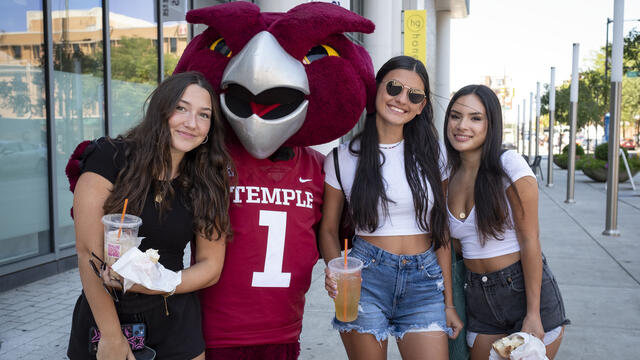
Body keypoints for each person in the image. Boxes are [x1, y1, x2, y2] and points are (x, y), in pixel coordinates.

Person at [67, 71, 232, 360]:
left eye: (204, 115)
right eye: (181, 108)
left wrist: (160, 285)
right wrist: (112, 336)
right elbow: (87, 254)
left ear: (210, 129)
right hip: (106, 316)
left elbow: (210, 267)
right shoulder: (109, 158)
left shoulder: (207, 181)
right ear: (160, 110)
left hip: (175, 320)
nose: (191, 123)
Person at [319, 55, 463, 360]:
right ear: (376, 89)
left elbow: (442, 232)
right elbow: (329, 229)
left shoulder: (436, 156)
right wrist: (336, 270)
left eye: (414, 96)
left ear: (422, 106)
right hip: (364, 280)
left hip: (425, 281)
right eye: (394, 88)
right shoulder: (342, 158)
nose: (402, 100)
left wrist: (449, 303)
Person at [443, 84, 569, 359]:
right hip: (478, 296)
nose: (462, 125)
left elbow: (529, 239)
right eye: (455, 116)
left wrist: (533, 313)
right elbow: (449, 247)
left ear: (491, 124)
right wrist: (449, 304)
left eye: (475, 118)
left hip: (523, 291)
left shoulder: (508, 165)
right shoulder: (446, 173)